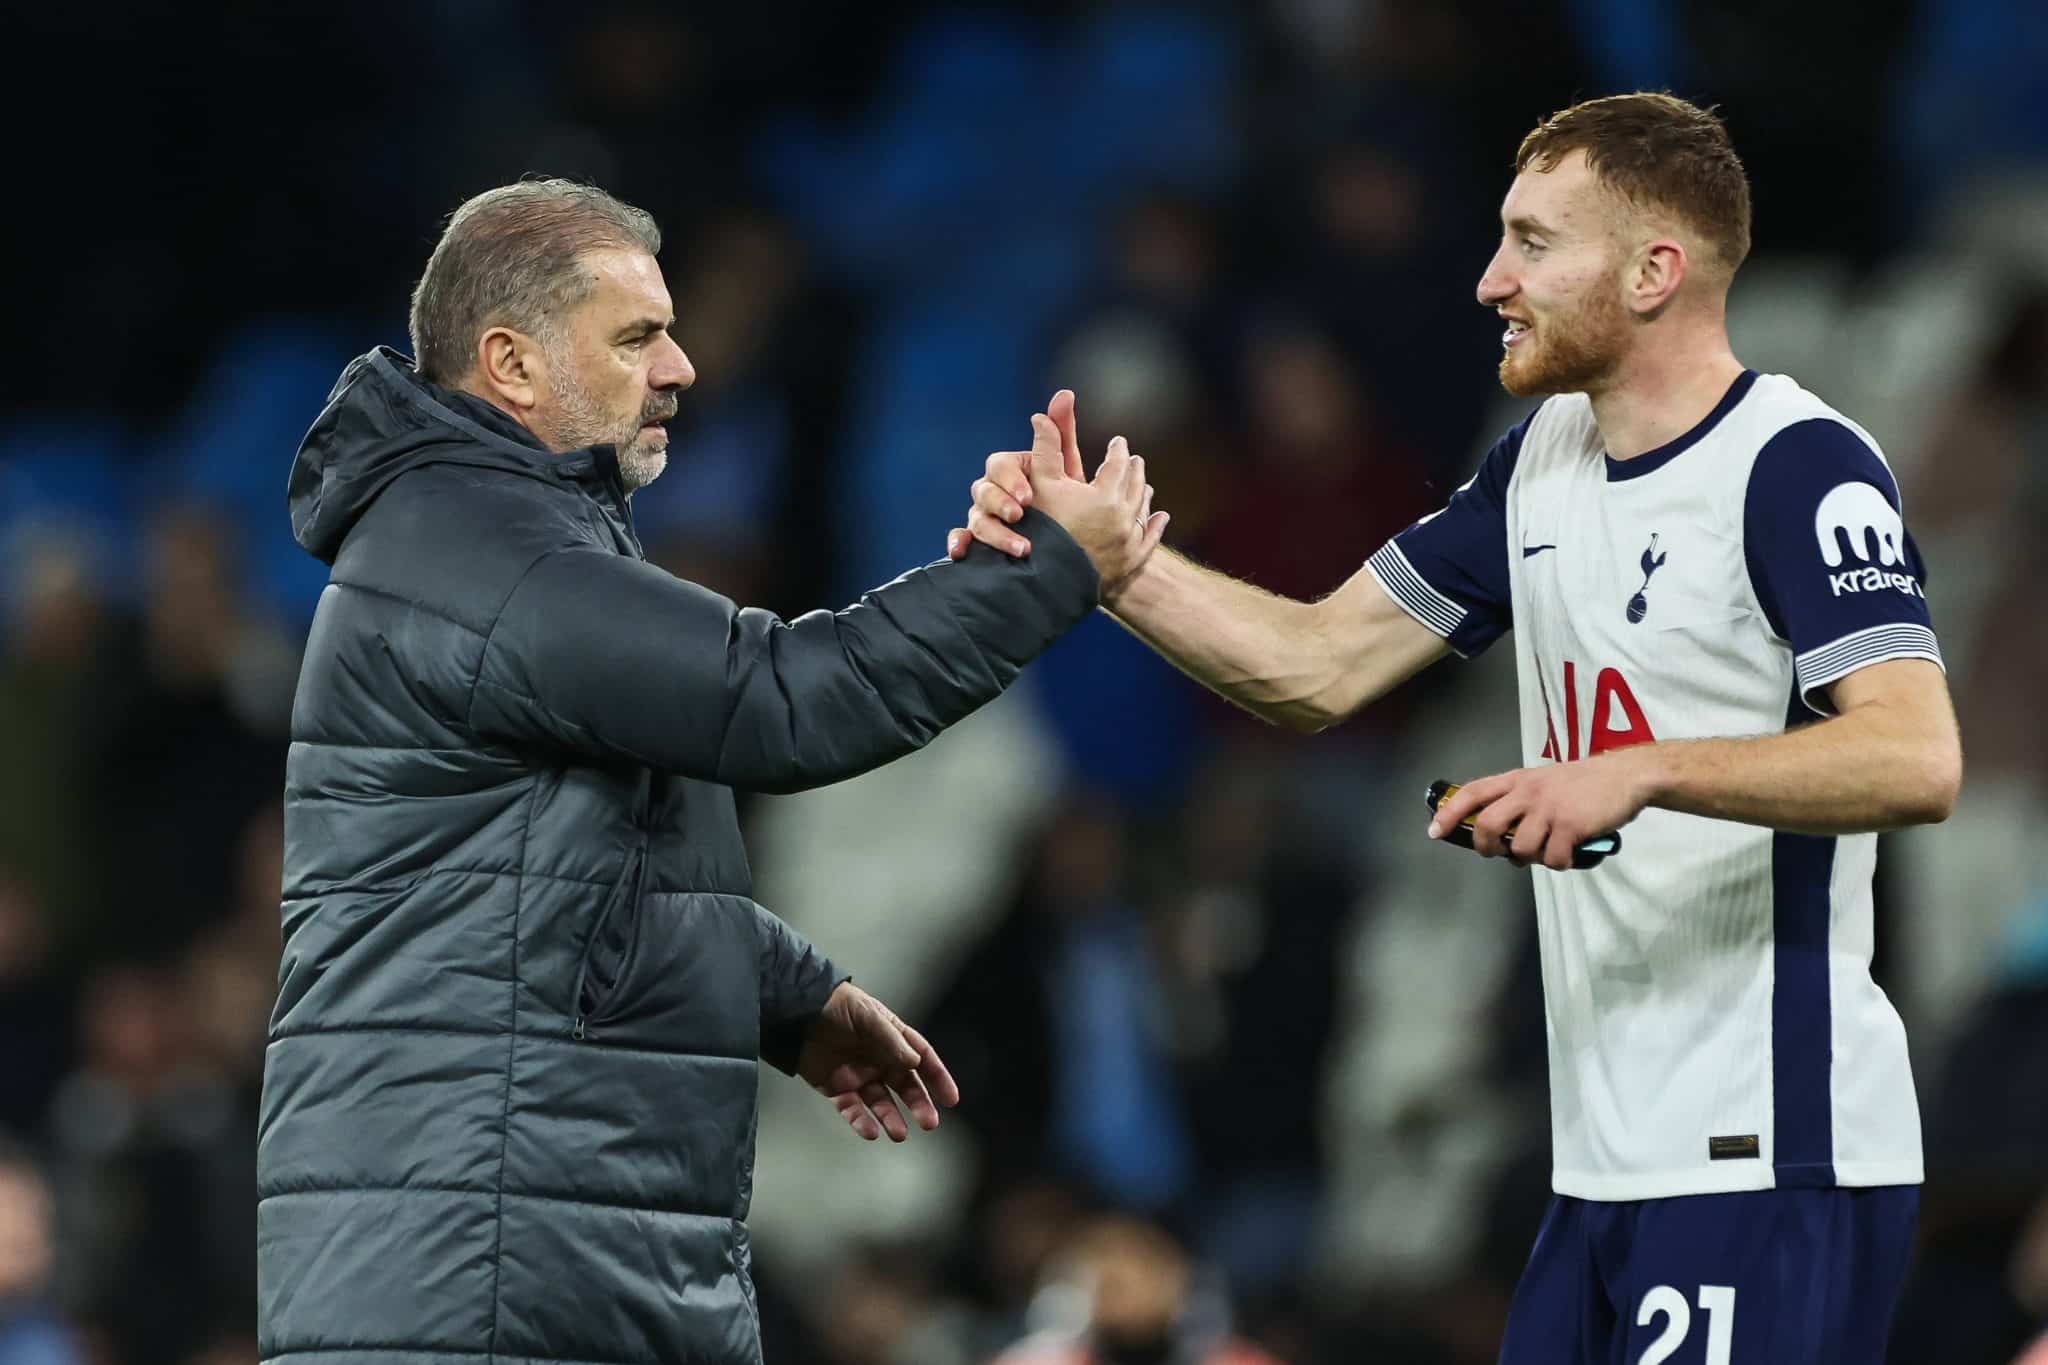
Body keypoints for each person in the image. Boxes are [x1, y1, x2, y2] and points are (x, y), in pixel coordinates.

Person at [957, 94, 1961, 1362]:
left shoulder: (1794, 466)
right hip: (1603, 1161)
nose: (1490, 278)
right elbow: (1315, 665)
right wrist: (1108, 568)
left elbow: (1912, 755)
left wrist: (1636, 774)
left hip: (1766, 1148)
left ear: (1655, 271)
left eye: (1534, 242)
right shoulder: (1538, 460)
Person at [257, 179, 1166, 1365]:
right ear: (512, 364)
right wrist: (1050, 568)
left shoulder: (498, 541)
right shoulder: (480, 553)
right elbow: (785, 701)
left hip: (521, 1246)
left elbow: (553, 883)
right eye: (636, 336)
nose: (681, 365)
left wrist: (782, 992)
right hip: (477, 1270)